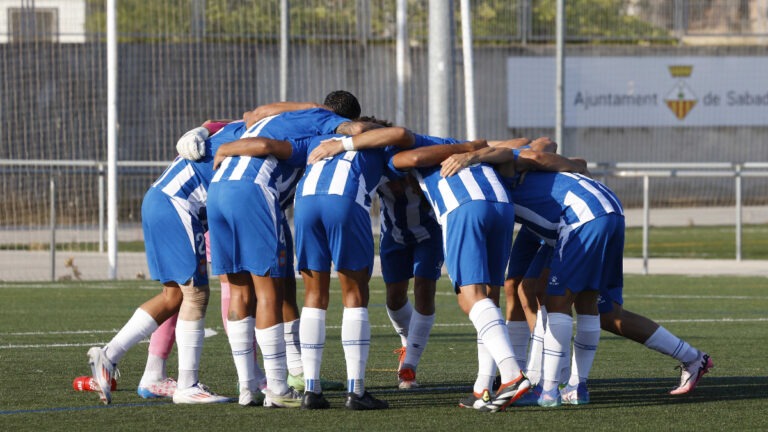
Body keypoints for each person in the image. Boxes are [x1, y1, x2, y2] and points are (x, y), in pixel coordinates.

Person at [440, 145, 712, 406]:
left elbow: (536, 150)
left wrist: (471, 156)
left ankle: (548, 391)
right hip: (602, 211)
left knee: (556, 299)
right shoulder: (496, 186)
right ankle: (576, 386)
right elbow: (575, 162)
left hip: (583, 215)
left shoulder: (499, 169)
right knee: (601, 309)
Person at [309, 127, 534, 412]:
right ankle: (483, 387)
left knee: (470, 297)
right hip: (502, 206)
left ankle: (512, 374)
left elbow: (411, 154)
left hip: (464, 206)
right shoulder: (455, 142)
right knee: (487, 296)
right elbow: (520, 144)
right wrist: (474, 149)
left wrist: (341, 145)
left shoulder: (405, 153)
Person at [205, 100, 361, 408]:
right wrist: (351, 132)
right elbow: (352, 129)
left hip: (218, 190)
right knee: (269, 292)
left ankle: (248, 386)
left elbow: (249, 116)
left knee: (239, 290)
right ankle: (277, 386)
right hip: (252, 191)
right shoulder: (316, 127)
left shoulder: (260, 120)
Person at [85, 122, 233, 405]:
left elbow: (221, 124)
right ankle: (188, 385)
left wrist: (200, 131)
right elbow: (230, 123)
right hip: (178, 205)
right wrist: (201, 131)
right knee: (197, 294)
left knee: (174, 295)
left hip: (161, 199)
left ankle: (111, 357)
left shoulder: (250, 132)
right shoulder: (257, 133)